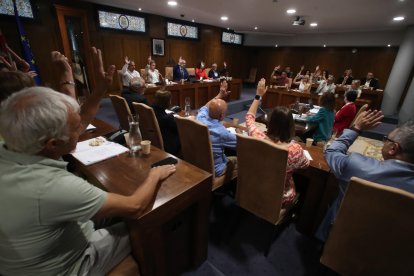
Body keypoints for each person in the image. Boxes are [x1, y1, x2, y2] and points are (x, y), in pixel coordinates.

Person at [0, 88, 176, 275]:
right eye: (77, 129)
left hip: (33, 255)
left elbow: (78, 120)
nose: (83, 128)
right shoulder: (51, 186)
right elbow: (135, 206)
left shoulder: (12, 147)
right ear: (53, 144)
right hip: (67, 267)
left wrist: (100, 87)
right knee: (148, 221)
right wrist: (155, 174)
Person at [316, 111, 414, 241]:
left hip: (339, 242)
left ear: (393, 148)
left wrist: (356, 128)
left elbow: (332, 151)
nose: (384, 142)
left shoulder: (357, 165)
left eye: (386, 139)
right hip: (392, 255)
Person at [245, 78, 310, 207]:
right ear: (291, 126)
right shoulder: (295, 150)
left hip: (253, 187)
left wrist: (258, 95)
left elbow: (249, 117)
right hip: (277, 198)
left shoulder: (257, 136)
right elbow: (305, 165)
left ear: (271, 122)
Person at [196, 81, 236, 177]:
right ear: (222, 116)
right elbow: (244, 144)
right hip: (217, 169)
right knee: (240, 160)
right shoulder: (222, 133)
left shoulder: (200, 118)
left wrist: (219, 95)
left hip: (198, 162)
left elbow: (205, 107)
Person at [152, 90, 181, 155]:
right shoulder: (168, 119)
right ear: (167, 102)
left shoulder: (152, 108)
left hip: (156, 139)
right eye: (170, 100)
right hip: (169, 144)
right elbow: (179, 130)